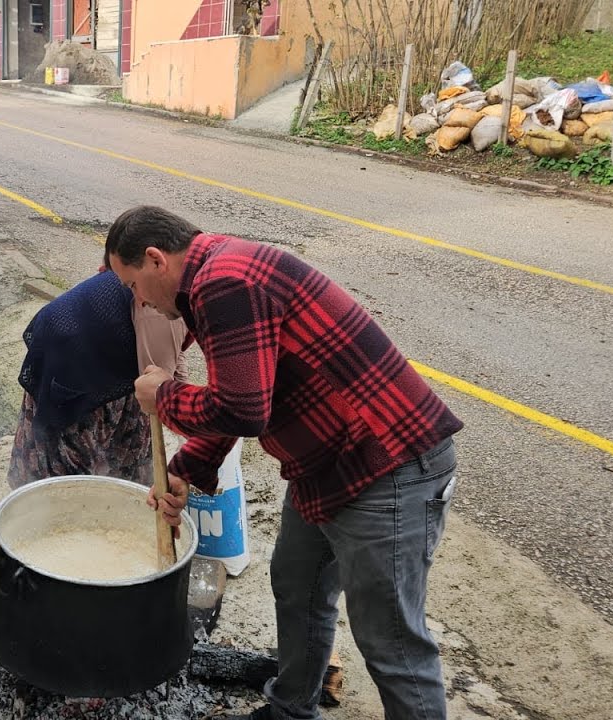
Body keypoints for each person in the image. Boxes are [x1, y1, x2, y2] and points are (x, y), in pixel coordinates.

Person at [107, 206, 463, 720]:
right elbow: (250, 394)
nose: (138, 299)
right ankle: (290, 709)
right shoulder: (218, 275)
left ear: (156, 259)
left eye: (133, 283)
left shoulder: (223, 283)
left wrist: (164, 395)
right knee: (299, 587)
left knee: (391, 642)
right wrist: (188, 469)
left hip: (388, 465)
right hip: (327, 467)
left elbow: (242, 410)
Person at [7, 268, 187, 489]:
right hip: (72, 357)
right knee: (68, 458)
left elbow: (172, 364)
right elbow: (157, 389)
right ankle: (54, 501)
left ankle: (120, 493)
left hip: (109, 356)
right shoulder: (160, 305)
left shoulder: (175, 291)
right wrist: (191, 435)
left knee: (127, 439)